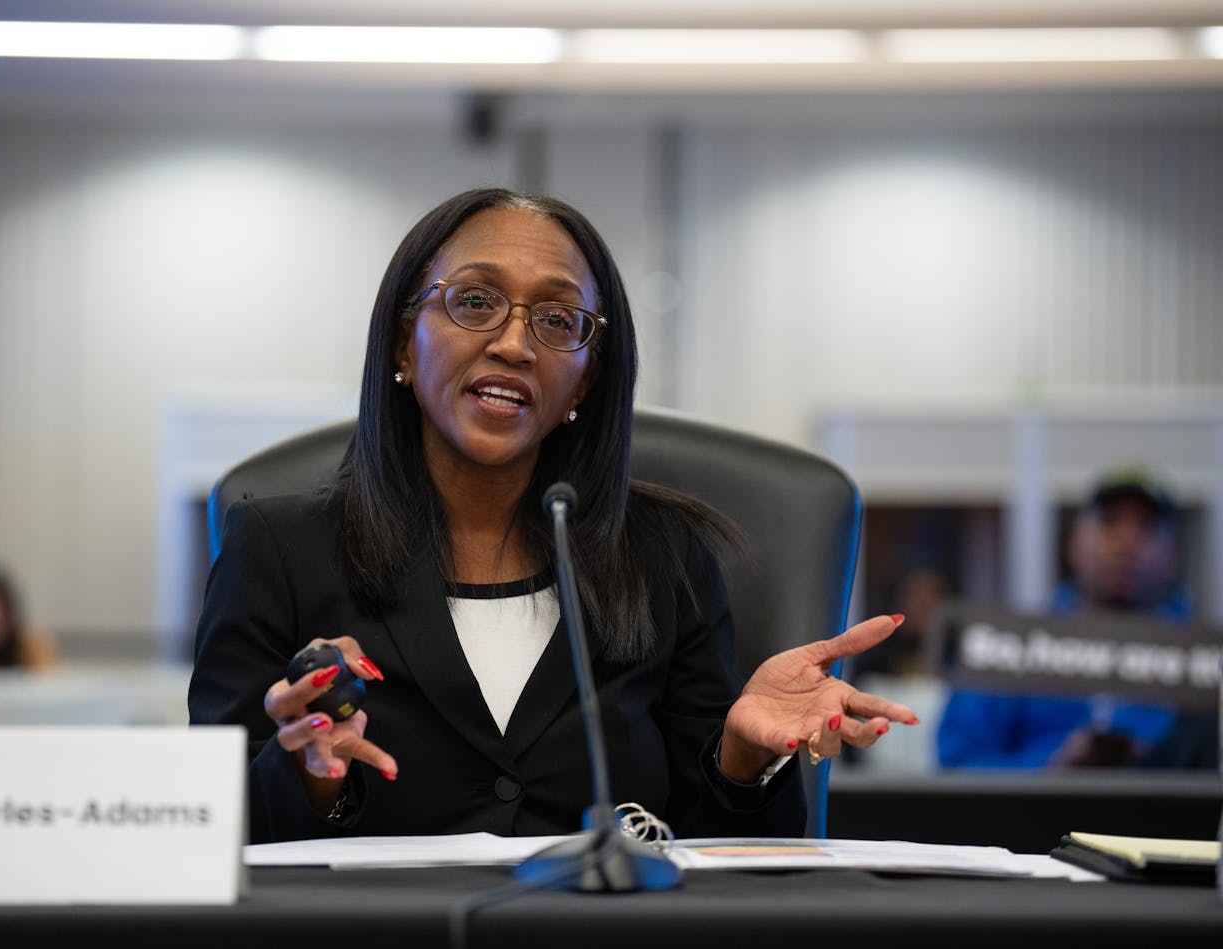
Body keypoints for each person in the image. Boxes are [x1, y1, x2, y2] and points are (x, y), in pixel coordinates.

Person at [187, 187, 918, 844]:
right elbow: (209, 838)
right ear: (403, 344)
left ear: (586, 378)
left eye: (557, 318)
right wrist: (313, 777)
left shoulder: (663, 559)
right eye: (474, 302)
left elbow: (725, 862)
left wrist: (743, 757)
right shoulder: (278, 551)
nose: (513, 343)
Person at [936, 467, 1209, 769]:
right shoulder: (1008, 644)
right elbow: (955, 765)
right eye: (1110, 521)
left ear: (1172, 555)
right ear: (1075, 543)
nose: (1127, 541)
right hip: (1035, 815)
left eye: (1146, 527)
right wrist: (1050, 769)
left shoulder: (1201, 660)